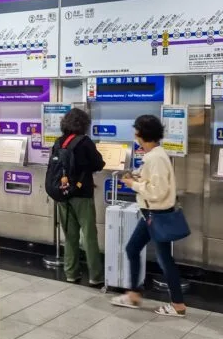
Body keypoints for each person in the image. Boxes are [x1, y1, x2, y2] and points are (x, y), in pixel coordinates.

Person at [111, 114, 187, 317]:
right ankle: (134, 294)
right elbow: (154, 183)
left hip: (157, 214)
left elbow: (158, 191)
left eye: (136, 131)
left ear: (140, 134)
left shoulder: (156, 157)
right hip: (150, 214)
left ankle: (178, 304)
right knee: (132, 249)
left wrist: (133, 184)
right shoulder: (156, 155)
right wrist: (138, 177)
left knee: (164, 260)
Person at [52, 108, 105, 285]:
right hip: (82, 194)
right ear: (84, 124)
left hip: (62, 193)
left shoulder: (59, 142)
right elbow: (98, 163)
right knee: (89, 235)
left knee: (70, 235)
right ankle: (95, 276)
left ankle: (71, 273)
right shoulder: (85, 142)